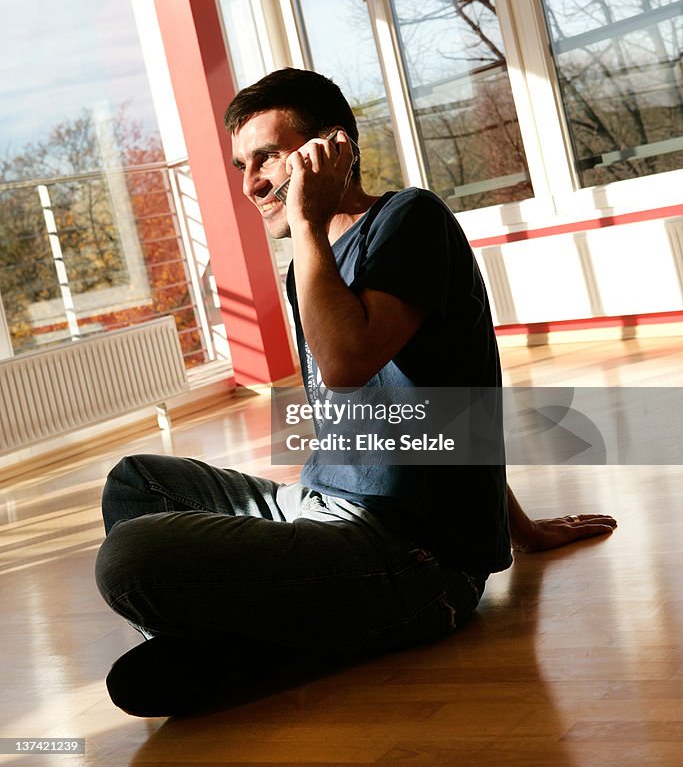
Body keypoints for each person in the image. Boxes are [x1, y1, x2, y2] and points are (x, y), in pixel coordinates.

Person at [95, 68, 616, 717]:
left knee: (131, 560)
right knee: (135, 483)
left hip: (412, 555)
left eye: (267, 158)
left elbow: (347, 362)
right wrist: (520, 527)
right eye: (241, 164)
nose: (251, 183)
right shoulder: (309, 268)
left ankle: (253, 644)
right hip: (320, 508)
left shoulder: (408, 220)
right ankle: (242, 644)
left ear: (331, 150)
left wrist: (307, 222)